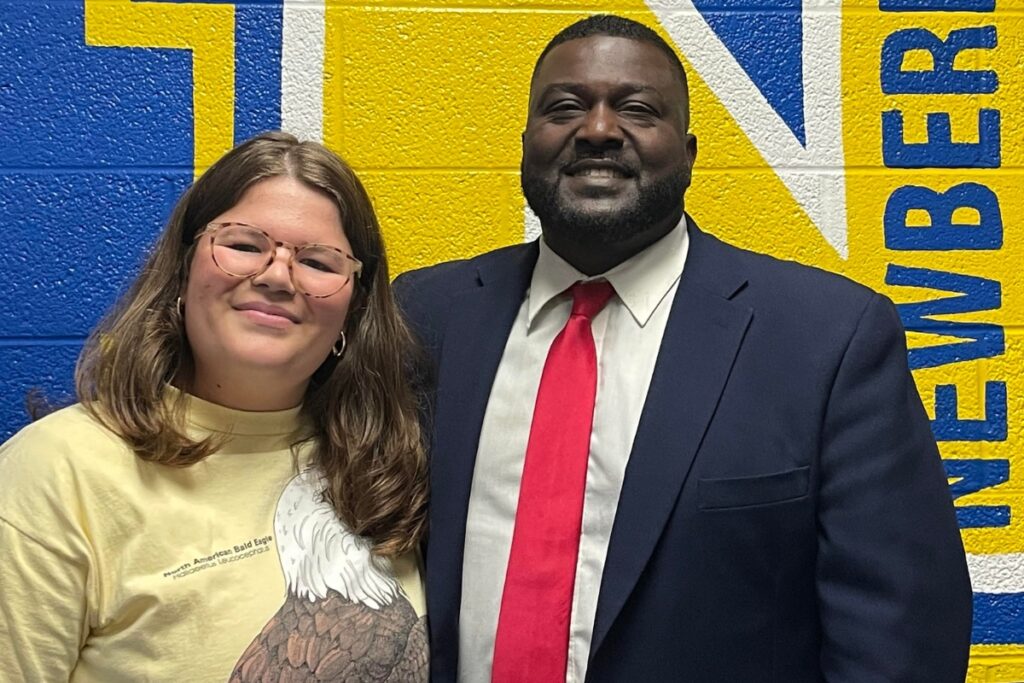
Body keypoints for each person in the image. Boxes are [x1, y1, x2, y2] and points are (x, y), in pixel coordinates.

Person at [394, 14, 973, 683]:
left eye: (638, 109)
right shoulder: (425, 316)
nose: (598, 129)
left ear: (690, 153)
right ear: (526, 144)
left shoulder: (827, 339)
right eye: (565, 108)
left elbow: (901, 635)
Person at [0, 132, 429, 681]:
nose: (277, 277)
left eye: (318, 262)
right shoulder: (57, 474)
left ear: (354, 307)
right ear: (183, 268)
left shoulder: (384, 473)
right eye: (244, 246)